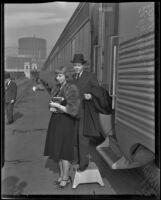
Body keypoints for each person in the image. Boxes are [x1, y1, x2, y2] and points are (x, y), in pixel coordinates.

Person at [44, 66, 80, 189]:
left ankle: (66, 177)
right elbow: (51, 103)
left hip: (66, 122)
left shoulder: (72, 88)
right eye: (57, 75)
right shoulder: (57, 87)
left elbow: (73, 110)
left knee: (65, 150)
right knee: (58, 149)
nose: (57, 77)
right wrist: (51, 107)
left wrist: (58, 107)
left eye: (60, 75)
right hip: (56, 121)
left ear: (67, 76)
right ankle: (61, 175)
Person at [71, 53, 101, 172]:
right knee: (74, 137)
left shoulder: (90, 76)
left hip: (85, 110)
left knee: (83, 137)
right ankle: (76, 159)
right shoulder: (73, 78)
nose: (77, 67)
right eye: (75, 65)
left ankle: (84, 163)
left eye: (79, 65)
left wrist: (91, 96)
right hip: (74, 111)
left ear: (83, 65)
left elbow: (97, 90)